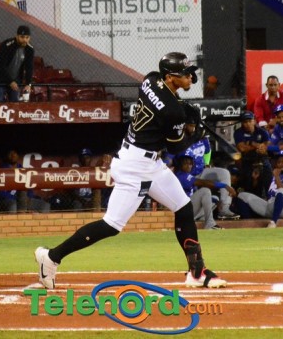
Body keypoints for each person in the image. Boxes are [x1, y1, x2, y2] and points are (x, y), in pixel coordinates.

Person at [35, 52, 227, 290]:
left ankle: (196, 271)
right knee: (111, 225)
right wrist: (196, 133)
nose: (190, 78)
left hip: (148, 162)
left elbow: (165, 102)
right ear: (169, 77)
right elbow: (176, 148)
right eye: (185, 74)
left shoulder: (151, 79)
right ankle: (51, 257)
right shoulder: (172, 112)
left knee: (183, 207)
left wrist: (181, 107)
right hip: (135, 167)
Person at [168, 109, 239, 220]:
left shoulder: (201, 137)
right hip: (187, 175)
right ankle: (200, 217)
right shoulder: (179, 139)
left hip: (201, 171)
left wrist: (206, 162)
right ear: (185, 125)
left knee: (224, 173)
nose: (193, 129)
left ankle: (224, 209)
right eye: (190, 125)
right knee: (205, 194)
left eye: (194, 126)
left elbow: (207, 151)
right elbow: (169, 157)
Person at [236, 151, 283, 228]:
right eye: (278, 162)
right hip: (269, 206)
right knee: (242, 195)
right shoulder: (273, 174)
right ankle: (249, 224)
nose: (280, 164)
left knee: (281, 191)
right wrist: (255, 180)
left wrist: (276, 176)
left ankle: (273, 222)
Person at [174, 155, 222, 230]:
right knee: (205, 191)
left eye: (190, 164)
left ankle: (200, 218)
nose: (188, 166)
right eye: (185, 164)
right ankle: (209, 224)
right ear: (180, 165)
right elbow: (203, 183)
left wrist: (216, 201)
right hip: (183, 208)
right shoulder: (181, 175)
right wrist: (224, 185)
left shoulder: (189, 175)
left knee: (215, 198)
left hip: (190, 207)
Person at [0, 25, 34, 102]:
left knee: (15, 102)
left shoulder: (30, 49)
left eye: (27, 37)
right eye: (22, 37)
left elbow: (29, 67)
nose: (25, 40)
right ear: (17, 36)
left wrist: (28, 84)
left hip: (15, 80)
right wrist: (10, 81)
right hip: (0, 79)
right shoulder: (7, 45)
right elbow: (0, 65)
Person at [234, 110, 271, 198]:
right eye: (245, 122)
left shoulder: (262, 132)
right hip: (247, 159)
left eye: (250, 121)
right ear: (242, 123)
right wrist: (255, 145)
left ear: (254, 121)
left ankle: (268, 196)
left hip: (262, 158)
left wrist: (250, 144)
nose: (248, 124)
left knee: (268, 176)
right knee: (247, 181)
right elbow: (242, 148)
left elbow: (267, 146)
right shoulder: (238, 132)